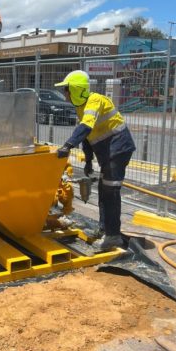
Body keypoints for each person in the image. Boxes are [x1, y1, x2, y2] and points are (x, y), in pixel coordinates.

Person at [54, 70, 136, 251]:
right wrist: (89, 160)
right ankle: (104, 229)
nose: (64, 95)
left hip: (119, 148)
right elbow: (87, 136)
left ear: (75, 90)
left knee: (110, 192)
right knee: (103, 190)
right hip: (108, 151)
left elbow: (85, 126)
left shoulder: (95, 101)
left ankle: (113, 236)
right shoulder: (81, 107)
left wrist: (67, 145)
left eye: (65, 90)